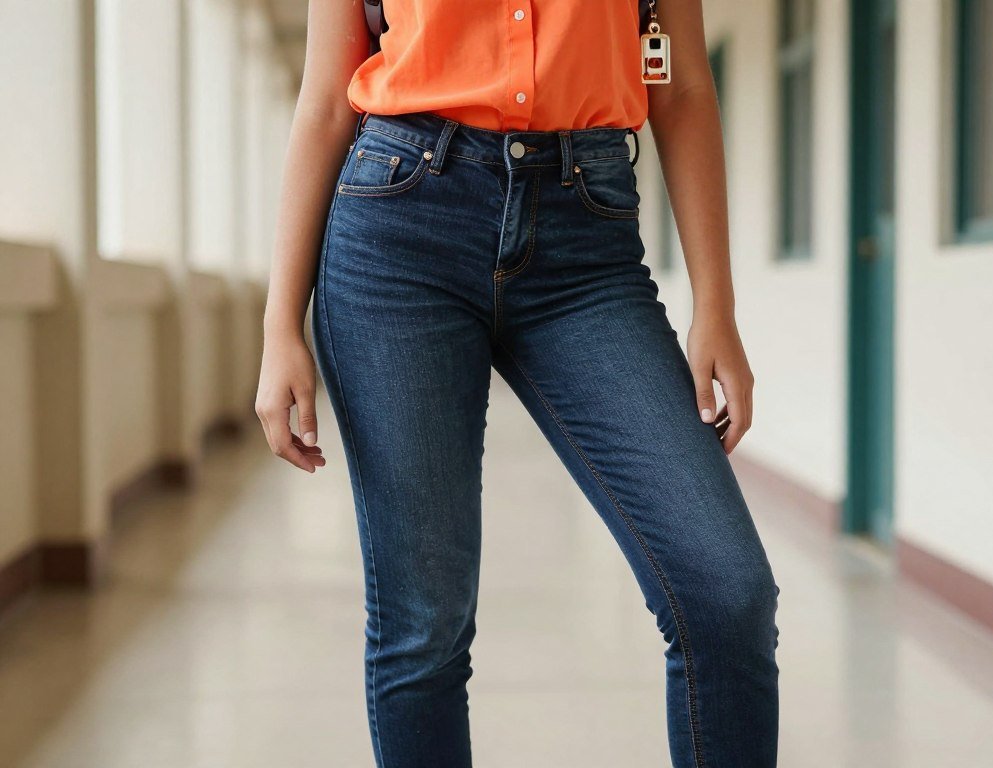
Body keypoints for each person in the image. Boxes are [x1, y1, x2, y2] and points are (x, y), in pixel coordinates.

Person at [255, 1, 781, 766]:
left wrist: (717, 307)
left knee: (726, 593)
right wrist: (280, 327)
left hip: (588, 240)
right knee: (422, 628)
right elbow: (328, 96)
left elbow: (681, 84)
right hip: (400, 230)